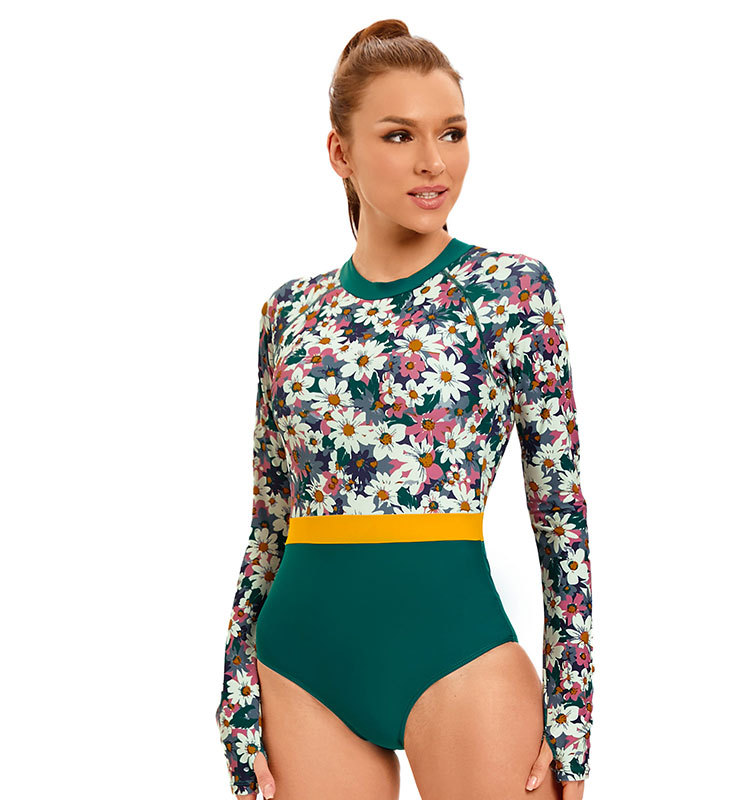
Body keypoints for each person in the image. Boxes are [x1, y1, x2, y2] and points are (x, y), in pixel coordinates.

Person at [214, 18, 593, 800]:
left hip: (457, 658)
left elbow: (560, 516)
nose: (434, 162)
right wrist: (235, 690)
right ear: (340, 153)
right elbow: (269, 519)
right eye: (398, 136)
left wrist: (572, 714)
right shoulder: (289, 311)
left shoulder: (511, 291)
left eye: (452, 132)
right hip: (298, 668)